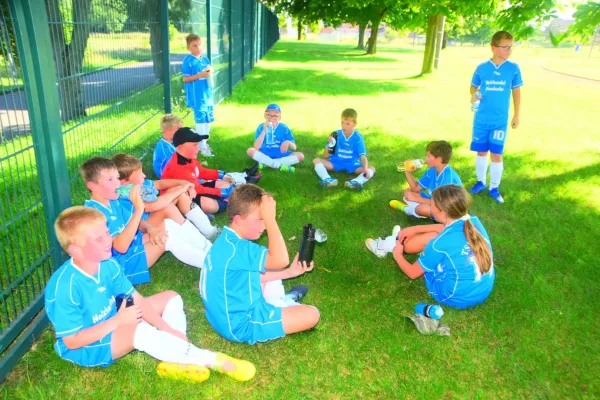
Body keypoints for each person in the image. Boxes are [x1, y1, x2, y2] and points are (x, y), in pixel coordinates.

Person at [44, 206, 255, 382]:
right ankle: (213, 359)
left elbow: (135, 298)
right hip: (86, 346)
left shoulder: (107, 264)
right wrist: (117, 322)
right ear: (75, 249)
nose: (109, 240)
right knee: (139, 330)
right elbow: (71, 342)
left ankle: (177, 357)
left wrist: (169, 330)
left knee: (172, 297)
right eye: (99, 239)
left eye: (107, 232)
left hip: (115, 319)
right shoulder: (64, 287)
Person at [200, 184, 320, 345]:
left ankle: (282, 304)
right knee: (312, 314)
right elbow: (281, 259)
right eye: (260, 219)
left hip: (220, 316)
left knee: (269, 272)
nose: (264, 226)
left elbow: (252, 276)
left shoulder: (227, 241)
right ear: (238, 220)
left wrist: (290, 273)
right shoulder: (240, 249)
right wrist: (270, 219)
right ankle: (287, 302)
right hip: (241, 326)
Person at [81, 157, 210, 284]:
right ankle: (214, 265)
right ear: (93, 186)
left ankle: (209, 249)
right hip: (121, 264)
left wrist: (151, 229)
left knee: (168, 225)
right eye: (110, 179)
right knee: (166, 239)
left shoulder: (112, 201)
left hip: (134, 244)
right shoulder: (93, 215)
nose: (117, 184)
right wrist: (139, 209)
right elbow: (121, 247)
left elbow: (136, 223)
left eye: (117, 178)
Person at [367, 185, 495, 309]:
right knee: (435, 240)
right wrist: (415, 229)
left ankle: (388, 246)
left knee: (429, 242)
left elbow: (412, 273)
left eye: (431, 205)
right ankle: (394, 241)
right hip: (482, 290)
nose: (430, 208)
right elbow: (444, 229)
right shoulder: (474, 223)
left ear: (443, 212)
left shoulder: (438, 244)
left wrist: (398, 255)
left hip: (454, 297)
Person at [112, 153, 220, 241]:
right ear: (123, 182)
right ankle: (203, 233)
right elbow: (154, 206)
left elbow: (159, 184)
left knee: (176, 192)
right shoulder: (127, 193)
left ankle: (199, 221)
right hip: (143, 228)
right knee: (173, 199)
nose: (144, 176)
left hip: (151, 217)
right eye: (140, 174)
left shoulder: (137, 184)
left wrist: (183, 183)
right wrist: (181, 189)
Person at [469, 30, 523, 204]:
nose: (509, 50)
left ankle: (494, 187)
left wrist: (516, 115)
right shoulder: (482, 68)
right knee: (481, 151)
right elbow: (473, 87)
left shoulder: (513, 69)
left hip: (499, 121)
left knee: (497, 154)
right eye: (505, 47)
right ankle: (480, 182)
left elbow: (516, 92)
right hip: (481, 119)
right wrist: (476, 95)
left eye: (510, 47)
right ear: (494, 48)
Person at [161, 127, 259, 215]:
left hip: (194, 189)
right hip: (181, 199)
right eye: (194, 145)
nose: (198, 148)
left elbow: (201, 172)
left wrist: (221, 175)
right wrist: (221, 192)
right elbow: (198, 189)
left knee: (225, 183)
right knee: (208, 204)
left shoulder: (189, 157)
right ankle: (225, 202)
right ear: (181, 147)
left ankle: (226, 199)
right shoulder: (178, 167)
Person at [390, 140, 462, 219]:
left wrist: (416, 199)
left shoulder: (448, 178)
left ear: (438, 159)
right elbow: (415, 188)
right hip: (434, 202)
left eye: (428, 156)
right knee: (408, 193)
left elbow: (442, 204)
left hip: (447, 211)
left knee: (422, 208)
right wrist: (407, 171)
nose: (425, 159)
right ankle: (419, 211)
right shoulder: (432, 170)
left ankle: (408, 210)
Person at [312, 108, 375, 190]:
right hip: (335, 163)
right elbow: (326, 156)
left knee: (371, 168)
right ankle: (327, 179)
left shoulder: (358, 137)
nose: (344, 126)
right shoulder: (335, 134)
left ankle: (356, 182)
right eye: (342, 123)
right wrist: (329, 144)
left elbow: (362, 156)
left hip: (352, 164)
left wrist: (365, 168)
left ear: (354, 124)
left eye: (348, 124)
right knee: (316, 160)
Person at [182, 34, 215, 157]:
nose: (198, 48)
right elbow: (185, 79)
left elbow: (210, 72)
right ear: (189, 47)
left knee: (208, 118)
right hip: (197, 96)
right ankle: (201, 145)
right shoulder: (188, 61)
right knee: (200, 119)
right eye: (194, 46)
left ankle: (205, 142)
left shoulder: (205, 59)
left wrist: (211, 72)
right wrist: (200, 75)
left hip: (207, 95)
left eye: (199, 44)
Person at [246, 103, 304, 173]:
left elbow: (294, 148)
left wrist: (288, 142)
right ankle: (280, 166)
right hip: (265, 153)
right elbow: (256, 147)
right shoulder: (261, 127)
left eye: (275, 116)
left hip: (280, 153)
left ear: (279, 117)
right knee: (250, 150)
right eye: (268, 115)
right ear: (265, 115)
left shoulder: (284, 128)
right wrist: (264, 130)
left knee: (300, 156)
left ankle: (266, 164)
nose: (271, 117)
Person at [153, 114, 183, 179]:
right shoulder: (165, 149)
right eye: (177, 130)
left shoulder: (172, 142)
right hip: (169, 178)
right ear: (166, 130)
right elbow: (175, 169)